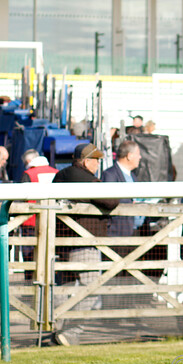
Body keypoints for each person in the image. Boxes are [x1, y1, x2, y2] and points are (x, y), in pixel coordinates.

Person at [51, 143, 119, 346]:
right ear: (86, 161)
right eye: (95, 160)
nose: (98, 165)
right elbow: (111, 201)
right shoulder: (87, 179)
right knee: (91, 288)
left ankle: (58, 331)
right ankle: (71, 331)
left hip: (60, 242)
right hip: (84, 242)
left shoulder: (60, 175)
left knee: (65, 288)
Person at [102, 140, 145, 246]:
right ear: (129, 156)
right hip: (116, 233)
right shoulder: (109, 175)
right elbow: (107, 201)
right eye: (138, 154)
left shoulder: (133, 176)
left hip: (132, 231)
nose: (140, 157)